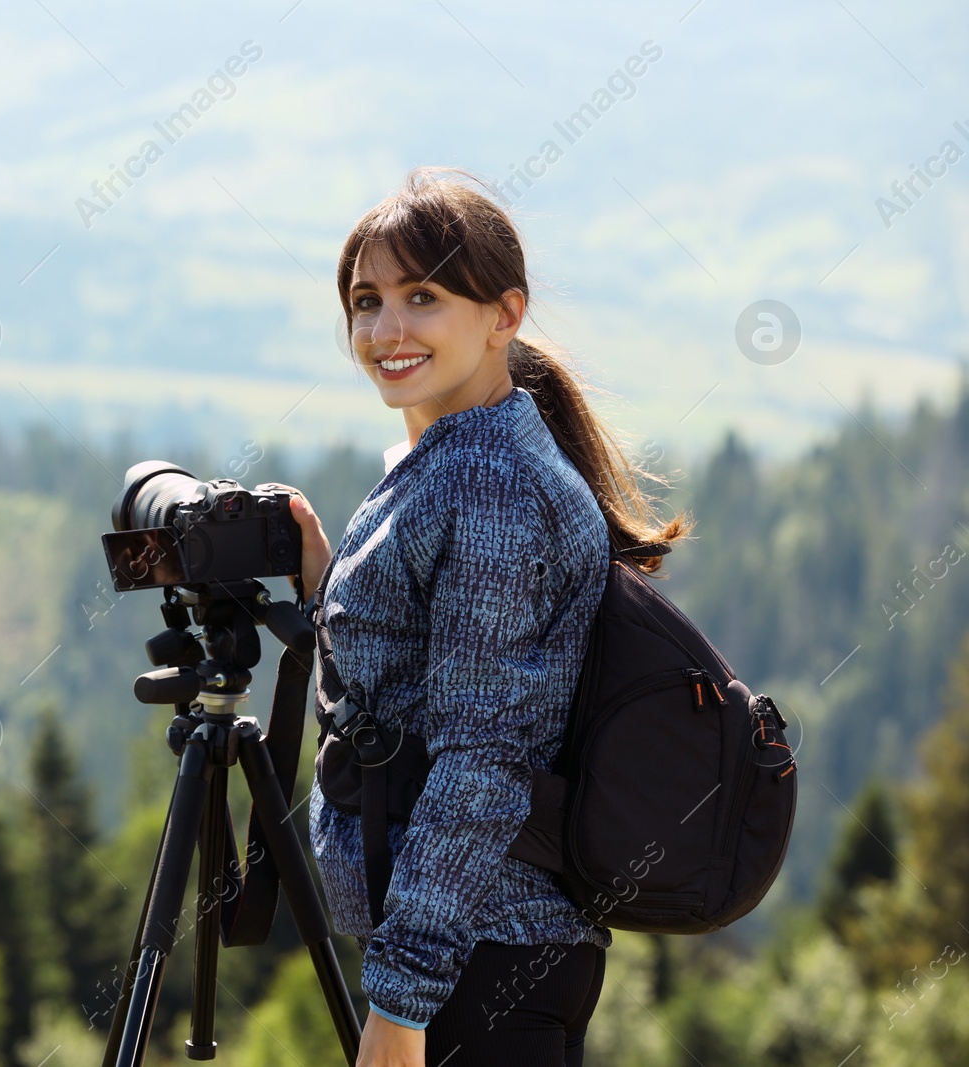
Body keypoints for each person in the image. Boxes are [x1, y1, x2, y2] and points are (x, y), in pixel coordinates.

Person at [275, 168, 690, 1066]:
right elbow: (426, 686)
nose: (385, 330)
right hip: (476, 946)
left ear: (504, 315)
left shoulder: (490, 482)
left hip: (480, 959)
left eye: (422, 297)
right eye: (366, 300)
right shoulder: (460, 456)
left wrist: (403, 998)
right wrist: (330, 592)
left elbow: (485, 760)